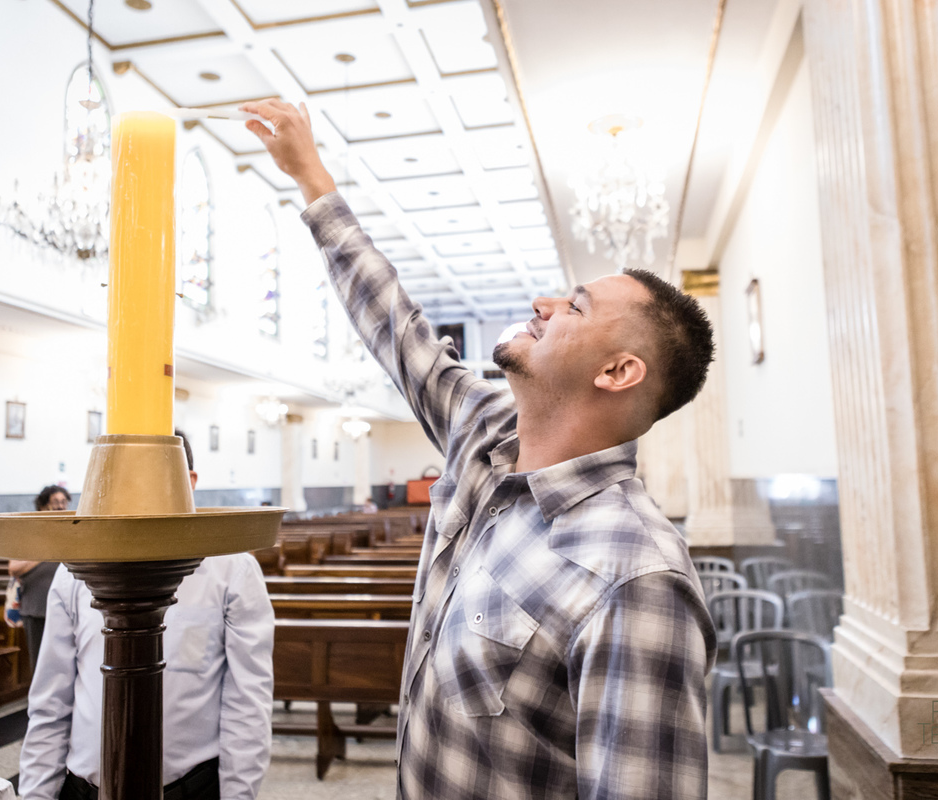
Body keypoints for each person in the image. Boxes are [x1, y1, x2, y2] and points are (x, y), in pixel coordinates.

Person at [242, 98, 718, 800]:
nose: (544, 304)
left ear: (618, 372)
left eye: (574, 307)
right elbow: (396, 327)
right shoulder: (485, 433)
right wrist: (314, 180)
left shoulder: (634, 574)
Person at [18, 431, 274, 800]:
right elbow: (51, 698)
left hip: (188, 788)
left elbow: (247, 702)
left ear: (190, 482)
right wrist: (36, 794)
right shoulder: (75, 568)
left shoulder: (232, 568)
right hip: (84, 787)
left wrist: (238, 795)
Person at [9, 485, 70, 672]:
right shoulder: (30, 532)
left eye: (63, 502)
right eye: (55, 503)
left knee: (64, 661)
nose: (60, 507)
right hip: (36, 607)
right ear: (43, 507)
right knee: (39, 663)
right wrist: (48, 551)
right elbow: (14, 568)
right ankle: (38, 702)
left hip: (66, 607)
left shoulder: (72, 531)